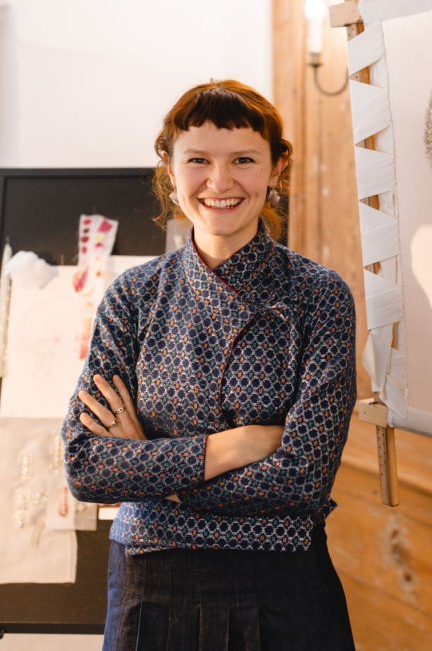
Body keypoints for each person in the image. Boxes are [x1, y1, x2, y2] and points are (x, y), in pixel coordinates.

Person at [61, 79, 357, 651]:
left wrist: (154, 475)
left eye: (243, 160)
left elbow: (302, 480)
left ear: (276, 167)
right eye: (198, 160)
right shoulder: (134, 296)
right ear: (171, 171)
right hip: (150, 585)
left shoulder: (319, 296)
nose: (219, 183)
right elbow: (87, 466)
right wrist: (236, 446)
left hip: (282, 588)